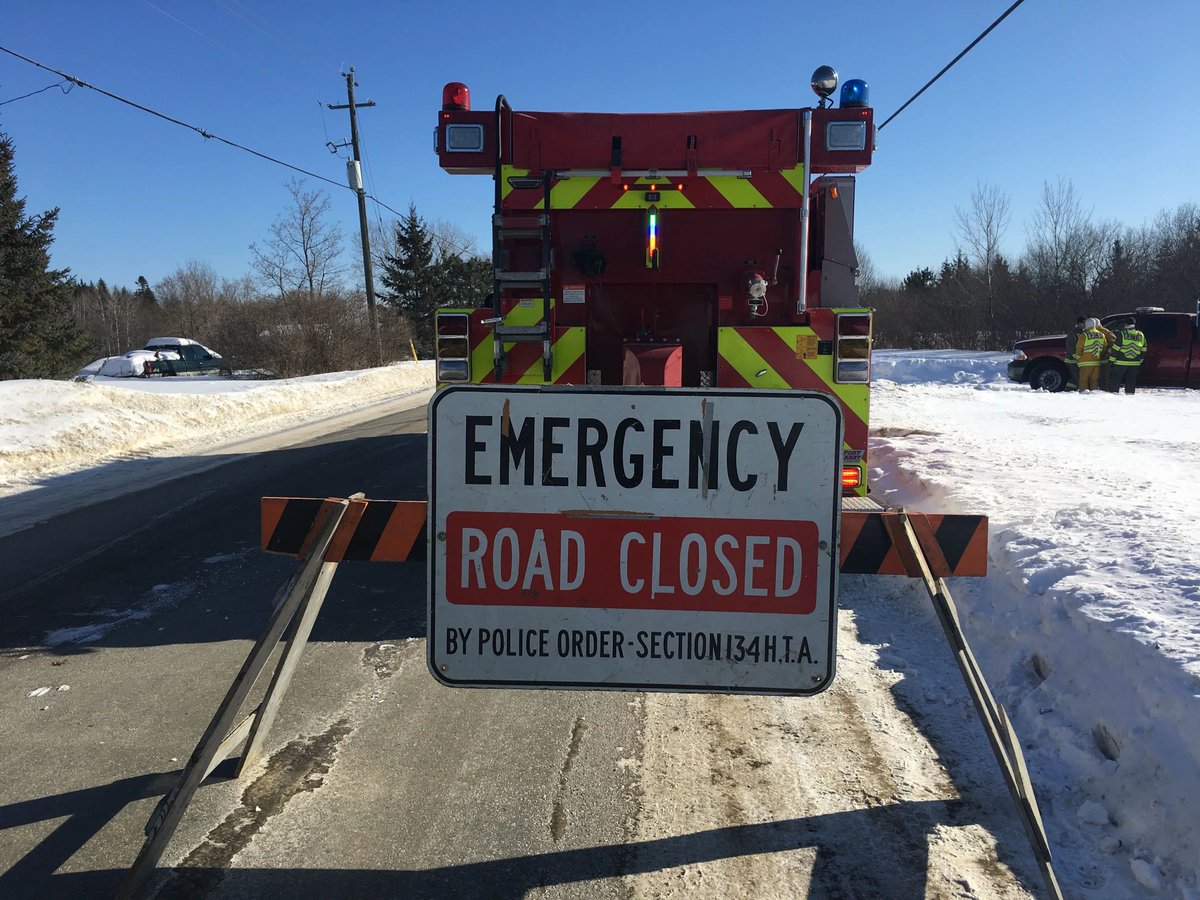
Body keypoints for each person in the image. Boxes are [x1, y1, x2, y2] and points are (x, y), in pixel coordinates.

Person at [1107, 318, 1147, 394]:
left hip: (1121, 362)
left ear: (1125, 324)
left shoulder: (1121, 334)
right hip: (1135, 363)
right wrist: (1140, 360)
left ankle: (1113, 395)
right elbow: (1144, 348)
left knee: (1115, 378)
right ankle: (1130, 396)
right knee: (1131, 380)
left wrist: (1111, 361)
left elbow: (1116, 349)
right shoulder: (1140, 334)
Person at [1074, 317, 1113, 392]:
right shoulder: (1102, 335)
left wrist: (1078, 358)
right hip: (1096, 362)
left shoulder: (1084, 335)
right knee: (1094, 381)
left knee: (1083, 381)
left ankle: (1083, 396)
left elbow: (1079, 348)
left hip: (1085, 363)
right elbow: (1104, 347)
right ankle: (1094, 396)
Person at [1065, 316, 1086, 386]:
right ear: (1079, 323)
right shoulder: (1073, 334)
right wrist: (1077, 357)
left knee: (1074, 378)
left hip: (1078, 360)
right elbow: (1071, 347)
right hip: (1072, 360)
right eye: (1083, 323)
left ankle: (1069, 389)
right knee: (1078, 377)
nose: (1085, 325)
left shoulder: (1083, 333)